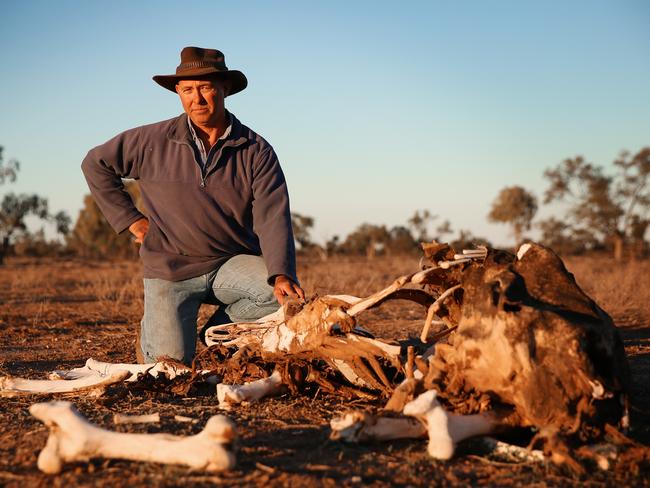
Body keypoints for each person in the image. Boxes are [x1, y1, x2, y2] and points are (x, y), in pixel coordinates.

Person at [82, 47, 304, 365]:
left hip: (230, 262)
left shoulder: (256, 150)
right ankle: (154, 334)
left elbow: (273, 215)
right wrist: (132, 220)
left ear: (224, 89)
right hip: (170, 268)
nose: (196, 98)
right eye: (187, 89)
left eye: (205, 88)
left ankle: (216, 333)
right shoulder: (151, 140)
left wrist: (281, 274)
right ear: (178, 92)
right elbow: (95, 164)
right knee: (171, 367)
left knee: (285, 300)